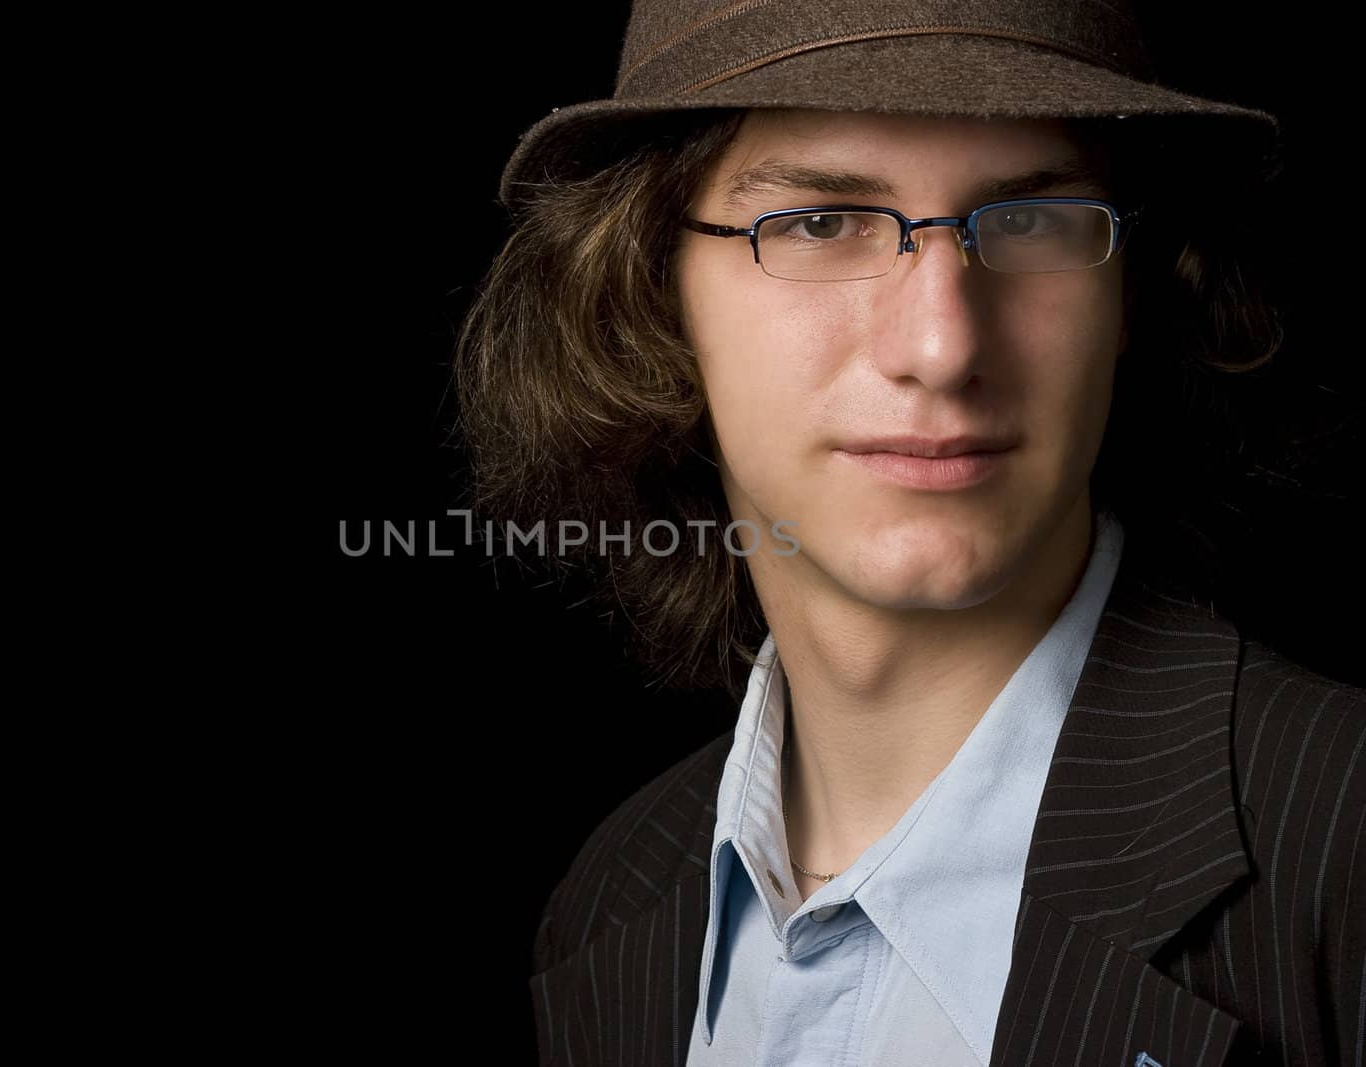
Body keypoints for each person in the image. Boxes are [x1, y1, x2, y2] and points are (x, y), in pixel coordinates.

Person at [453, 2, 1364, 1064]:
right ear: (650, 294)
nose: (940, 343)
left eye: (1031, 221)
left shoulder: (1341, 845)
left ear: (1130, 298)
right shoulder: (612, 899)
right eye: (821, 221)